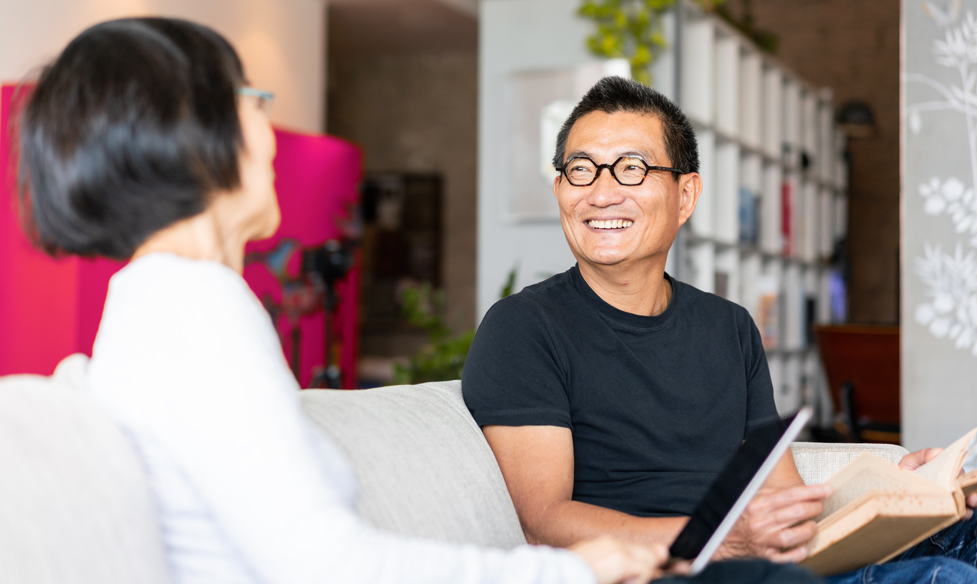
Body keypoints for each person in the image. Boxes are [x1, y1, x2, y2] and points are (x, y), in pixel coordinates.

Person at [15, 18, 674, 584]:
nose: (269, 128)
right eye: (252, 98)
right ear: (192, 130)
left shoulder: (154, 303)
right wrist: (577, 567)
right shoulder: (192, 306)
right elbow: (325, 564)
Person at [461, 76, 977, 584]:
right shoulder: (524, 328)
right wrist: (725, 540)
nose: (600, 190)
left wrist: (893, 497)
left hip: (769, 562)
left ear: (685, 194)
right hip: (675, 570)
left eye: (632, 167)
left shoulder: (728, 326)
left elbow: (779, 494)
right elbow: (542, 522)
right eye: (580, 169)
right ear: (561, 186)